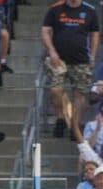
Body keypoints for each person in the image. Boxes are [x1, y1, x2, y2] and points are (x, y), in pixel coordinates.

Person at [42, 0, 99, 139]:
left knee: (80, 94)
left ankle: (75, 124)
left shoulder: (90, 10)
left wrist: (92, 55)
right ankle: (61, 119)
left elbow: (94, 34)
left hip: (81, 59)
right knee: (55, 90)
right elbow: (45, 31)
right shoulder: (55, 9)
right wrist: (51, 51)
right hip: (58, 59)